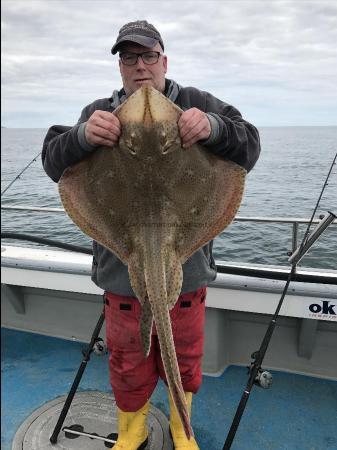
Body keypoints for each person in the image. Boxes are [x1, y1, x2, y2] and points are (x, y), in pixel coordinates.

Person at [42, 20, 260, 450]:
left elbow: (248, 146)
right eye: (129, 57)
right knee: (128, 362)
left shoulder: (199, 102)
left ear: (164, 60)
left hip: (188, 269)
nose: (140, 66)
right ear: (120, 66)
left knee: (187, 355)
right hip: (122, 275)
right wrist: (83, 137)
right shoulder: (98, 112)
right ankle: (131, 432)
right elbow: (53, 160)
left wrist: (213, 129)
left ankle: (182, 428)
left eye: (149, 56)